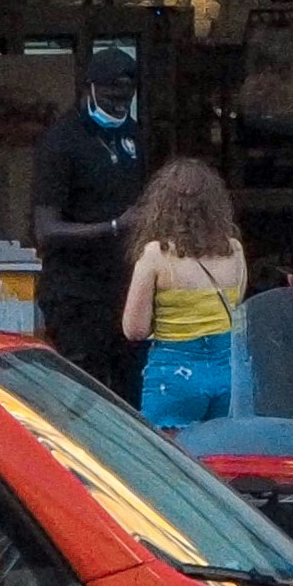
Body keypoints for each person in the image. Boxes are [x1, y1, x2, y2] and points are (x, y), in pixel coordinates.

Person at [28, 48, 149, 402]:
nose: (119, 105)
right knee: (83, 395)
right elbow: (46, 230)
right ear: (90, 88)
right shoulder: (61, 141)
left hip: (124, 290)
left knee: (130, 394)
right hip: (76, 294)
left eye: (127, 96)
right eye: (112, 95)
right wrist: (114, 226)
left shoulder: (132, 135)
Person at [116, 160, 251, 432]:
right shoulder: (234, 249)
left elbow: (134, 329)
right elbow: (236, 305)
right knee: (220, 460)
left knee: (169, 463)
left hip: (175, 372)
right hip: (230, 371)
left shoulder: (156, 254)